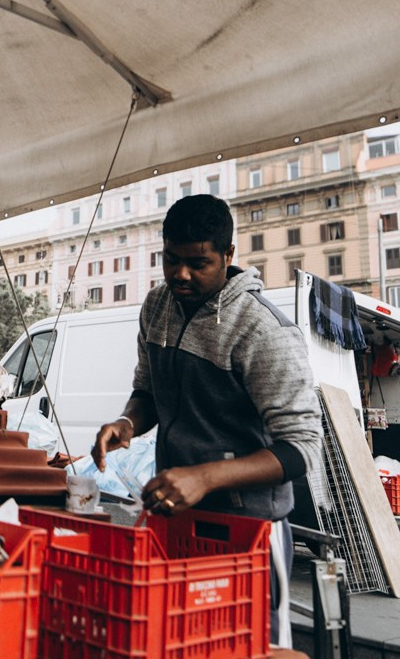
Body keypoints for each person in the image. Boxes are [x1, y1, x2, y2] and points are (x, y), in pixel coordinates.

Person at [92, 194, 322, 646]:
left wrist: (205, 477)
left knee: (248, 646)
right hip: (176, 521)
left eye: (198, 263)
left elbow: (304, 449)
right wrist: (128, 424)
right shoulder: (157, 306)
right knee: (180, 640)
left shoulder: (264, 330)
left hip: (249, 531)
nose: (180, 274)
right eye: (171, 260)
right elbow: (148, 392)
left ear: (228, 256)